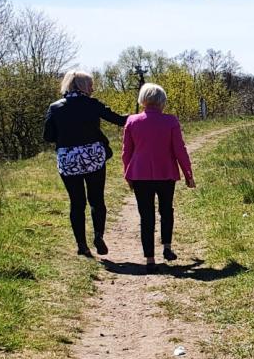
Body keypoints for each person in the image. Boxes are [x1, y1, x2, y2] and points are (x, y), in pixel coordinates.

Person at [44, 70, 128, 257]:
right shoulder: (92, 104)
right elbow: (119, 120)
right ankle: (98, 236)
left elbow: (48, 136)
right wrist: (143, 115)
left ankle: (82, 245)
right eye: (90, 85)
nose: (93, 88)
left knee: (77, 202)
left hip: (69, 160)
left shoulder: (55, 107)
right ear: (82, 86)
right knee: (97, 200)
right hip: (93, 158)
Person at [122, 83, 195, 271]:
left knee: (146, 216)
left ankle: (149, 259)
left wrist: (127, 173)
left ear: (143, 100)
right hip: (166, 173)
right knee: (166, 210)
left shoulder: (132, 121)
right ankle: (167, 247)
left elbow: (126, 152)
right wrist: (188, 173)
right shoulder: (170, 121)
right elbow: (180, 150)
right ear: (162, 101)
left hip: (139, 174)